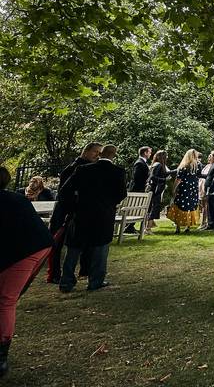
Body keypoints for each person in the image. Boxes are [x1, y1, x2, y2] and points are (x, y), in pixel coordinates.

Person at [0, 165, 54, 378]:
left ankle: (1, 355)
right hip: (29, 246)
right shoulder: (16, 198)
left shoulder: (13, 200)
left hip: (28, 250)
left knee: (5, 299)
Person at [58, 144, 127, 292]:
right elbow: (121, 194)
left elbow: (65, 190)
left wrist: (74, 206)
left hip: (82, 213)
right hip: (103, 215)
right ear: (114, 155)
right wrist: (109, 204)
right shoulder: (118, 172)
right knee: (100, 249)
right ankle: (95, 281)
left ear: (100, 154)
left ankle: (66, 281)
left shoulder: (83, 169)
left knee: (74, 249)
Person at [47, 142, 102, 284]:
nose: (97, 155)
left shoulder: (89, 169)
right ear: (86, 151)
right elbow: (65, 193)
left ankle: (81, 271)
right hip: (66, 211)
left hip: (77, 212)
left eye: (99, 153)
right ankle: (54, 273)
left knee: (78, 243)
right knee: (58, 243)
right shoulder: (73, 169)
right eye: (95, 152)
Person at [168, 150, 203, 233]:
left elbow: (178, 179)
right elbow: (199, 175)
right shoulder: (198, 166)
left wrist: (174, 188)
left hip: (184, 188)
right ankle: (187, 227)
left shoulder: (184, 165)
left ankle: (178, 227)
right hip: (193, 189)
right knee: (190, 206)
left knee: (180, 206)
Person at [145, 151, 175, 232]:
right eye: (166, 156)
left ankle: (149, 225)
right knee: (154, 208)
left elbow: (164, 173)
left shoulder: (155, 165)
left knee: (151, 207)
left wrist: (176, 170)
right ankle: (148, 228)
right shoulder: (158, 165)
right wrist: (165, 179)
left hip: (153, 190)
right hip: (156, 190)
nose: (167, 157)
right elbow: (153, 177)